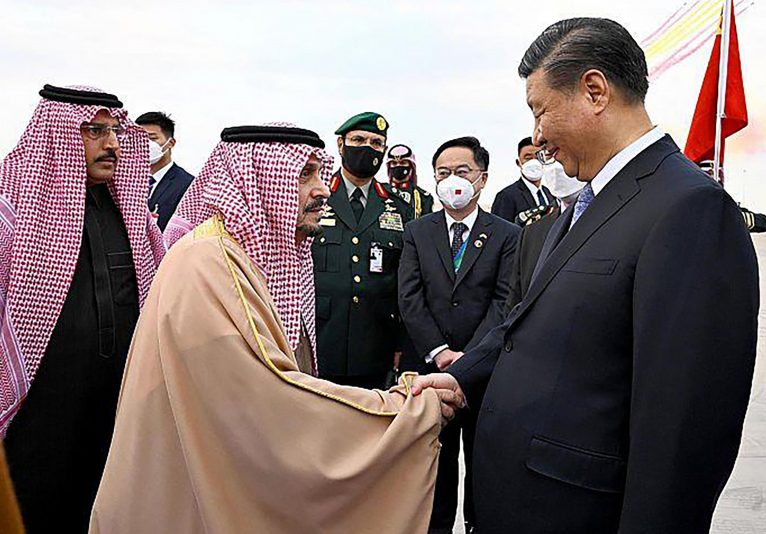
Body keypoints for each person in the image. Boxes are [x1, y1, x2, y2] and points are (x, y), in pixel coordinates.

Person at [413, 17, 759, 533]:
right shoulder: (583, 206)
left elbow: (682, 437)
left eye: (540, 110)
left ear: (594, 91)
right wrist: (458, 379)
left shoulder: (690, 210)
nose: (537, 136)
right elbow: (522, 324)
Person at [91, 124, 450, 534]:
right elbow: (269, 401)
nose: (321, 190)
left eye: (319, 173)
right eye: (305, 175)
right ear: (258, 181)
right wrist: (407, 411)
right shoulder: (205, 266)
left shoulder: (257, 257)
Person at [0, 84, 164, 533]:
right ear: (62, 135)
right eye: (96, 131)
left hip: (114, 401)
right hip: (39, 407)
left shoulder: (128, 212)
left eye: (114, 131)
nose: (112, 143)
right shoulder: (14, 206)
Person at [398, 136, 519, 534]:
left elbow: (504, 301)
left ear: (482, 179)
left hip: (484, 373)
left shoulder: (506, 234)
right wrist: (439, 351)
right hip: (430, 370)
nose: (454, 181)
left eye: (462, 172)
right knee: (436, 463)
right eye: (444, 173)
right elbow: (410, 296)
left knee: (485, 463)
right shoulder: (417, 231)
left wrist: (469, 360)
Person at [312, 112, 413, 388]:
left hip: (376, 342)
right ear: (340, 145)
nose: (368, 147)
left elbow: (406, 280)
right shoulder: (315, 196)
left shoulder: (398, 206)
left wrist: (401, 343)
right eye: (358, 139)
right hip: (321, 339)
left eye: (377, 142)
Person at [505, 158, 582, 313]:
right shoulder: (531, 232)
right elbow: (514, 304)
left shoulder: (620, 218)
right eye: (548, 155)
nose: (556, 166)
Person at [135, 111, 195, 230]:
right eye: (140, 139)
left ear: (170, 143)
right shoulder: (130, 181)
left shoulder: (187, 185)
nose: (145, 144)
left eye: (152, 138)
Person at [491, 136, 555, 225]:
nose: (534, 162)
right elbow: (500, 231)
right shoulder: (506, 196)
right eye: (528, 158)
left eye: (538, 157)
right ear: (518, 163)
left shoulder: (549, 193)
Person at [698, 160, 766, 233]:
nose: (719, 178)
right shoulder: (692, 206)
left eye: (719, 174)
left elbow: (764, 223)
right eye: (710, 174)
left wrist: (731, 217)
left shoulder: (727, 206)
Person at [386, 143, 434, 219]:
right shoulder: (379, 192)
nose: (398, 166)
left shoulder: (423, 198)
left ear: (411, 166)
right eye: (394, 163)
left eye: (403, 162)